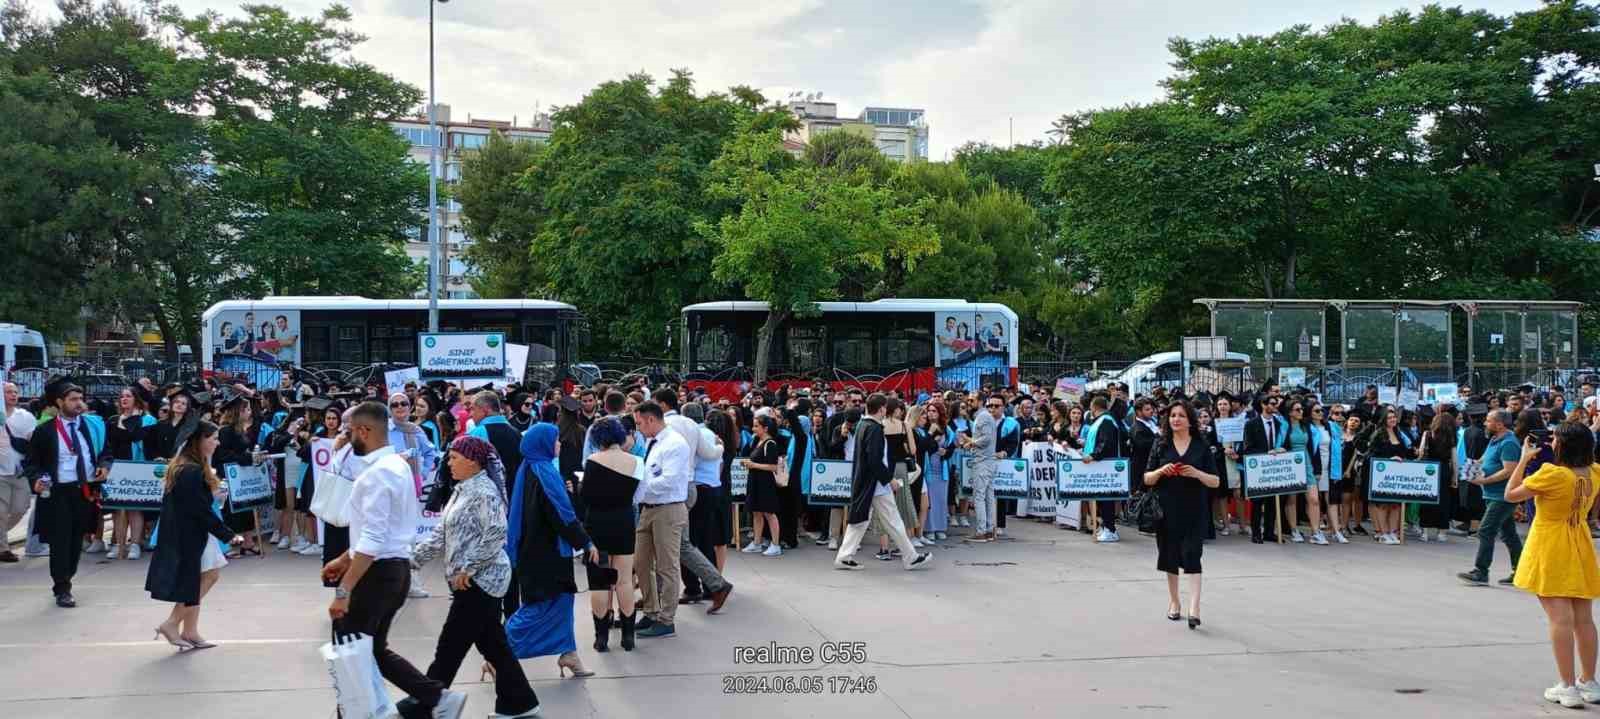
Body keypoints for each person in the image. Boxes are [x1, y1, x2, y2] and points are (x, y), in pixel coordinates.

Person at [321, 401, 465, 719]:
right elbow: (377, 532)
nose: (345, 438)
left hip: (377, 572)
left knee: (350, 650)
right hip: (392, 569)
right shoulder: (396, 466)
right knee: (368, 649)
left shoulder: (377, 475)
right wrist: (345, 558)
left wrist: (344, 591)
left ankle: (374, 711)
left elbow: (373, 539)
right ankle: (436, 698)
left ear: (364, 431)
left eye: (349, 431)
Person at [411, 435, 541, 719]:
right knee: (494, 646)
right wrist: (410, 561)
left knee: (450, 647)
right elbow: (440, 536)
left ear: (473, 461)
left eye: (454, 457)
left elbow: (496, 533)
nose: (449, 462)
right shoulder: (461, 489)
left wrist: (468, 568)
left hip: (481, 581)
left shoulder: (484, 491)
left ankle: (425, 707)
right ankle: (520, 703)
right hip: (467, 580)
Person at [1504, 422, 1600, 708]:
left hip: (1551, 544)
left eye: (1556, 439)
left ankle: (1567, 686)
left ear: (1564, 445)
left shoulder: (1553, 474)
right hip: (1579, 541)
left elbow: (1511, 494)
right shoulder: (1595, 471)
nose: (1552, 442)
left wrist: (1523, 459)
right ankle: (1588, 681)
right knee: (1583, 618)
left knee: (1560, 619)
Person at [506, 423, 598, 676]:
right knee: (540, 605)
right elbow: (562, 515)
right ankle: (498, 653)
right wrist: (585, 542)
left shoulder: (529, 468)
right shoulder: (544, 472)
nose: (559, 444)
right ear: (544, 444)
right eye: (556, 440)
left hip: (537, 550)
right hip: (547, 553)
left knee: (562, 602)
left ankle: (569, 654)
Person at [145, 421, 245, 650]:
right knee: (207, 576)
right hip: (191, 532)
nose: (218, 442)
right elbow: (199, 510)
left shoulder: (189, 466)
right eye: (214, 438)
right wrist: (228, 535)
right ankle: (172, 623)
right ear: (200, 440)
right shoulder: (190, 470)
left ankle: (190, 631)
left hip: (193, 531)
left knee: (202, 576)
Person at [26, 381, 112, 607]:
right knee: (60, 541)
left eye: (80, 399)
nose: (79, 404)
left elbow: (104, 451)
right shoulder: (44, 431)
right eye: (73, 400)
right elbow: (32, 462)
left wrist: (104, 464)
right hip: (58, 492)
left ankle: (67, 576)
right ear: (59, 402)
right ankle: (62, 587)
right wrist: (36, 479)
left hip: (83, 491)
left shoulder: (92, 426)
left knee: (77, 540)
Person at [1143, 401, 1220, 630]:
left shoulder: (1201, 446)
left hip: (1194, 509)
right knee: (1170, 557)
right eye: (1172, 415)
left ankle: (1194, 608)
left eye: (1181, 416)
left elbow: (1215, 481)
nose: (1176, 419)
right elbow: (1146, 478)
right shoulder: (1161, 444)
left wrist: (1196, 473)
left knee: (1192, 555)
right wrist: (1160, 471)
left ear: (1190, 420)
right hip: (1166, 509)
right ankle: (1175, 602)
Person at [833, 393, 932, 571]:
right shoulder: (874, 428)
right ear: (881, 409)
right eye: (885, 407)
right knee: (892, 521)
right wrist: (889, 479)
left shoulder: (864, 425)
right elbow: (874, 460)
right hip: (876, 484)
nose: (887, 409)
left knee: (861, 521)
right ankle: (911, 557)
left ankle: (844, 556)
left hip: (869, 483)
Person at [580, 417, 644, 652]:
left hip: (596, 524)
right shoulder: (637, 461)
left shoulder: (592, 460)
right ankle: (628, 637)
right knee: (625, 580)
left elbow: (586, 496)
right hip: (624, 521)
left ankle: (601, 638)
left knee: (600, 582)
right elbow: (639, 496)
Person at [1459, 409, 1525, 585]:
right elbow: (1485, 458)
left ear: (1500, 424)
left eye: (1489, 421)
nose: (1486, 423)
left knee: (1486, 531)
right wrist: (1474, 466)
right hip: (1492, 494)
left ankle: (1481, 571)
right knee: (1509, 534)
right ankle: (1521, 571)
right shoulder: (1495, 439)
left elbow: (1509, 470)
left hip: (1502, 496)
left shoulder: (1509, 443)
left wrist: (1485, 480)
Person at [106, 387, 158, 560]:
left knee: (135, 507)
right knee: (117, 508)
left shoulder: (146, 419)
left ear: (136, 399)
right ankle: (117, 543)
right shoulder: (114, 420)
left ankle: (135, 543)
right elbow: (109, 444)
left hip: (137, 466)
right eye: (121, 396)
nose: (124, 399)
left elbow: (138, 437)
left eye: (128, 396)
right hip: (117, 467)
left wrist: (133, 418)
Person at [0, 381, 37, 563]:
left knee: (20, 508)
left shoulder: (25, 416)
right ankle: (3, 548)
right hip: (0, 472)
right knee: (0, 511)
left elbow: (34, 440)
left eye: (15, 392)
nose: (13, 395)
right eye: (8, 392)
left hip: (20, 470)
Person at [1083, 395, 1127, 542]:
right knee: (1102, 500)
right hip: (1100, 465)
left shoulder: (1106, 421)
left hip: (1105, 465)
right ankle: (1105, 527)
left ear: (1094, 407)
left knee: (1106, 500)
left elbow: (1106, 443)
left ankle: (1110, 529)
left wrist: (1094, 455)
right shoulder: (1103, 420)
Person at [1243, 394, 1286, 544]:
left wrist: (1281, 450)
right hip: (1260, 467)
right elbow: (1247, 449)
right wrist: (1265, 454)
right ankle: (1256, 533)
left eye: (1276, 404)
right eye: (1273, 403)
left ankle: (1269, 532)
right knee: (1257, 502)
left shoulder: (1280, 424)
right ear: (1263, 404)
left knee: (1273, 501)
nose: (1275, 406)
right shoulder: (1251, 424)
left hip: (1276, 467)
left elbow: (1284, 442)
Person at [960, 394, 1001, 543]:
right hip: (987, 460)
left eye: (972, 400)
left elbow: (986, 438)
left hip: (983, 461)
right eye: (969, 400)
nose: (969, 402)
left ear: (981, 401)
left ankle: (982, 531)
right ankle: (989, 530)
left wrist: (971, 442)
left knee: (979, 496)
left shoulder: (983, 416)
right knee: (988, 496)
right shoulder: (984, 416)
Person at [742, 414, 785, 555]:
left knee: (769, 513)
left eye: (756, 426)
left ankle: (776, 544)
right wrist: (750, 464)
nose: (753, 429)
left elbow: (773, 467)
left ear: (765, 428)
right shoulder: (757, 441)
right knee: (756, 512)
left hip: (765, 483)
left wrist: (753, 464)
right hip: (755, 481)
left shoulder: (770, 444)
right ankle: (757, 542)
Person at [1418, 411, 1459, 543]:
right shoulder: (1451, 437)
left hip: (1428, 469)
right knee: (1444, 501)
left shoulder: (1427, 434)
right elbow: (1454, 460)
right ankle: (1442, 533)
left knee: (1426, 500)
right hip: (1444, 470)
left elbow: (1421, 452)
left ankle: (1424, 531)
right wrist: (1455, 478)